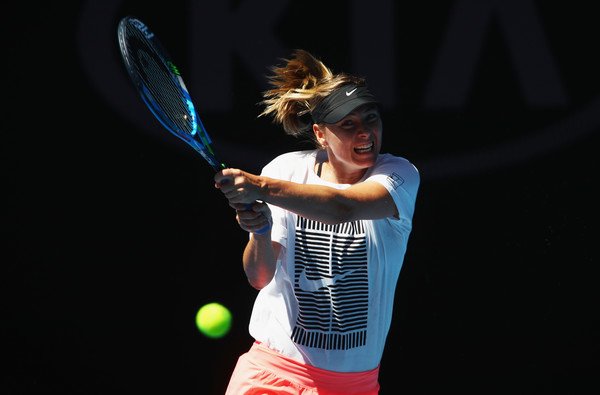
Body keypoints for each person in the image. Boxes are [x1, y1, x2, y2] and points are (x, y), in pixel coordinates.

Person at [215, 49, 419, 395]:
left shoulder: (399, 174)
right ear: (321, 135)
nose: (365, 132)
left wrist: (258, 187)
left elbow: (344, 207)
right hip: (272, 373)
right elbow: (259, 277)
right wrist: (259, 232)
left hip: (352, 386)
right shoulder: (285, 170)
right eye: (348, 125)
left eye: (371, 119)